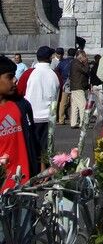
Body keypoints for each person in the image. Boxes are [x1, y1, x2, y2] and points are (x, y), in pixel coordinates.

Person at [0, 55, 39, 191]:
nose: (15, 80)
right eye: (10, 77)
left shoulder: (22, 105)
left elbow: (33, 138)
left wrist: (40, 167)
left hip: (24, 181)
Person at [24, 46, 60, 162]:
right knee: (47, 148)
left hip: (32, 116)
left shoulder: (29, 73)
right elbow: (58, 93)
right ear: (50, 58)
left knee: (32, 148)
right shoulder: (55, 74)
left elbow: (20, 91)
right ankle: (46, 173)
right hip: (49, 116)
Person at [69, 48, 90, 128]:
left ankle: (73, 123)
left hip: (75, 86)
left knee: (75, 106)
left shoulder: (74, 63)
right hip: (78, 86)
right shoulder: (77, 63)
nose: (85, 57)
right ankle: (83, 123)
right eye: (84, 56)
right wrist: (86, 62)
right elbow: (86, 71)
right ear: (80, 56)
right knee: (83, 105)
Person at [56, 47, 75, 125]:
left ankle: (61, 119)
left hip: (64, 83)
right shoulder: (76, 62)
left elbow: (57, 70)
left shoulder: (62, 62)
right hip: (74, 83)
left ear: (67, 54)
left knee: (63, 103)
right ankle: (73, 119)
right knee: (73, 102)